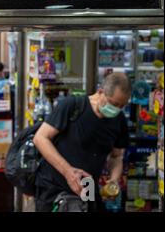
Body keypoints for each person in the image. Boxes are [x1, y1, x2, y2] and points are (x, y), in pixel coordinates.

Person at [33, 72, 131, 212]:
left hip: (87, 190)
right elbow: (41, 138)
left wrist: (114, 179)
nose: (116, 109)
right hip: (53, 188)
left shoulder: (119, 120)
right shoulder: (73, 105)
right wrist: (68, 172)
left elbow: (116, 156)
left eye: (122, 106)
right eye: (114, 103)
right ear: (100, 92)